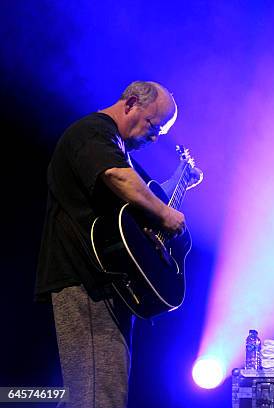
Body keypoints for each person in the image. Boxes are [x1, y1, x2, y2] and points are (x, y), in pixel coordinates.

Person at [36, 81, 202, 407]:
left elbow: (149, 196)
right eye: (152, 126)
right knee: (100, 396)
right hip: (86, 281)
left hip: (107, 284)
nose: (153, 138)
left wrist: (181, 181)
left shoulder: (117, 148)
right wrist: (165, 213)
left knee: (88, 394)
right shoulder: (93, 131)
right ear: (130, 103)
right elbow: (118, 177)